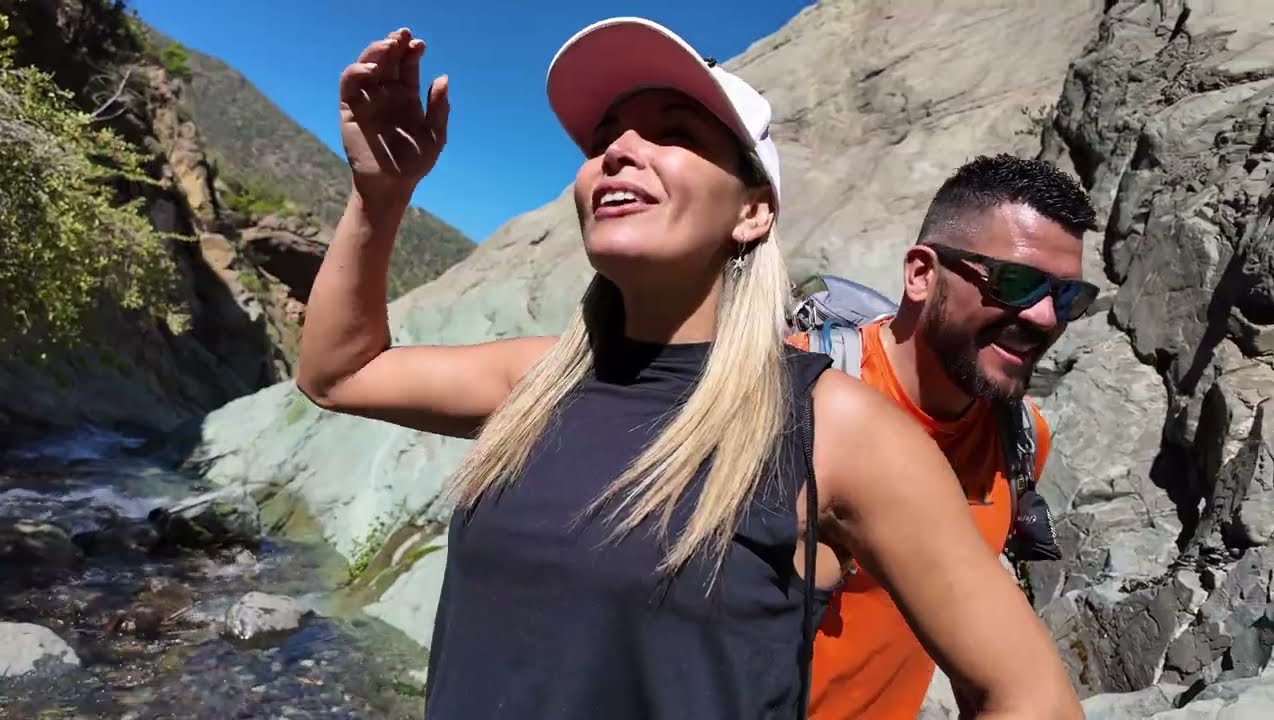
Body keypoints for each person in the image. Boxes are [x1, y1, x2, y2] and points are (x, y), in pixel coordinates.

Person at [297, 17, 1082, 720]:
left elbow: (1032, 696)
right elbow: (338, 373)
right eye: (607, 135)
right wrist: (379, 192)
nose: (621, 151)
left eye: (675, 131)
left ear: (752, 210)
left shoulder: (832, 426)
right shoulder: (536, 382)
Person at [794, 155, 1100, 720]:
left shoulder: (1020, 438)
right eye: (1016, 281)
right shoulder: (794, 395)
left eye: (1067, 298)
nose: (1043, 318)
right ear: (921, 275)